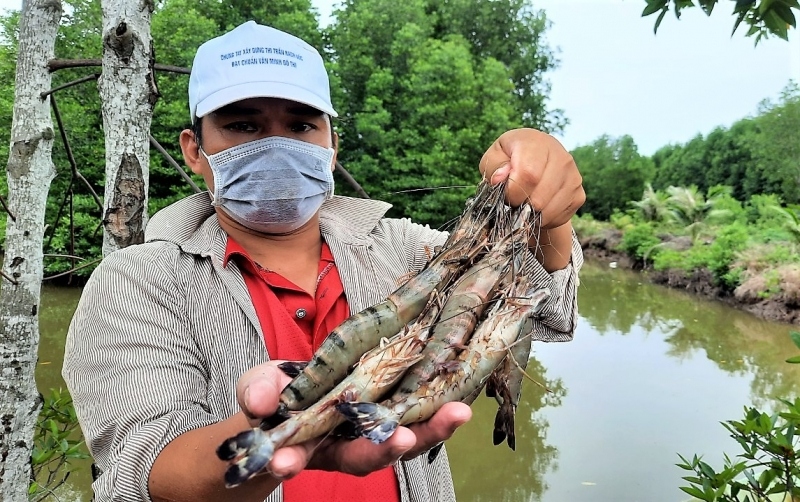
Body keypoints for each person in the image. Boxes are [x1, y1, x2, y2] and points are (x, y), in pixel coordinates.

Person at [63, 20, 585, 502]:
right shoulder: (135, 280)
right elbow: (140, 470)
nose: (275, 145)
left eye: (301, 125)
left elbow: (545, 309)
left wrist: (545, 201)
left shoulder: (405, 247)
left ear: (331, 146)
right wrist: (274, 438)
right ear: (195, 150)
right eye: (243, 126)